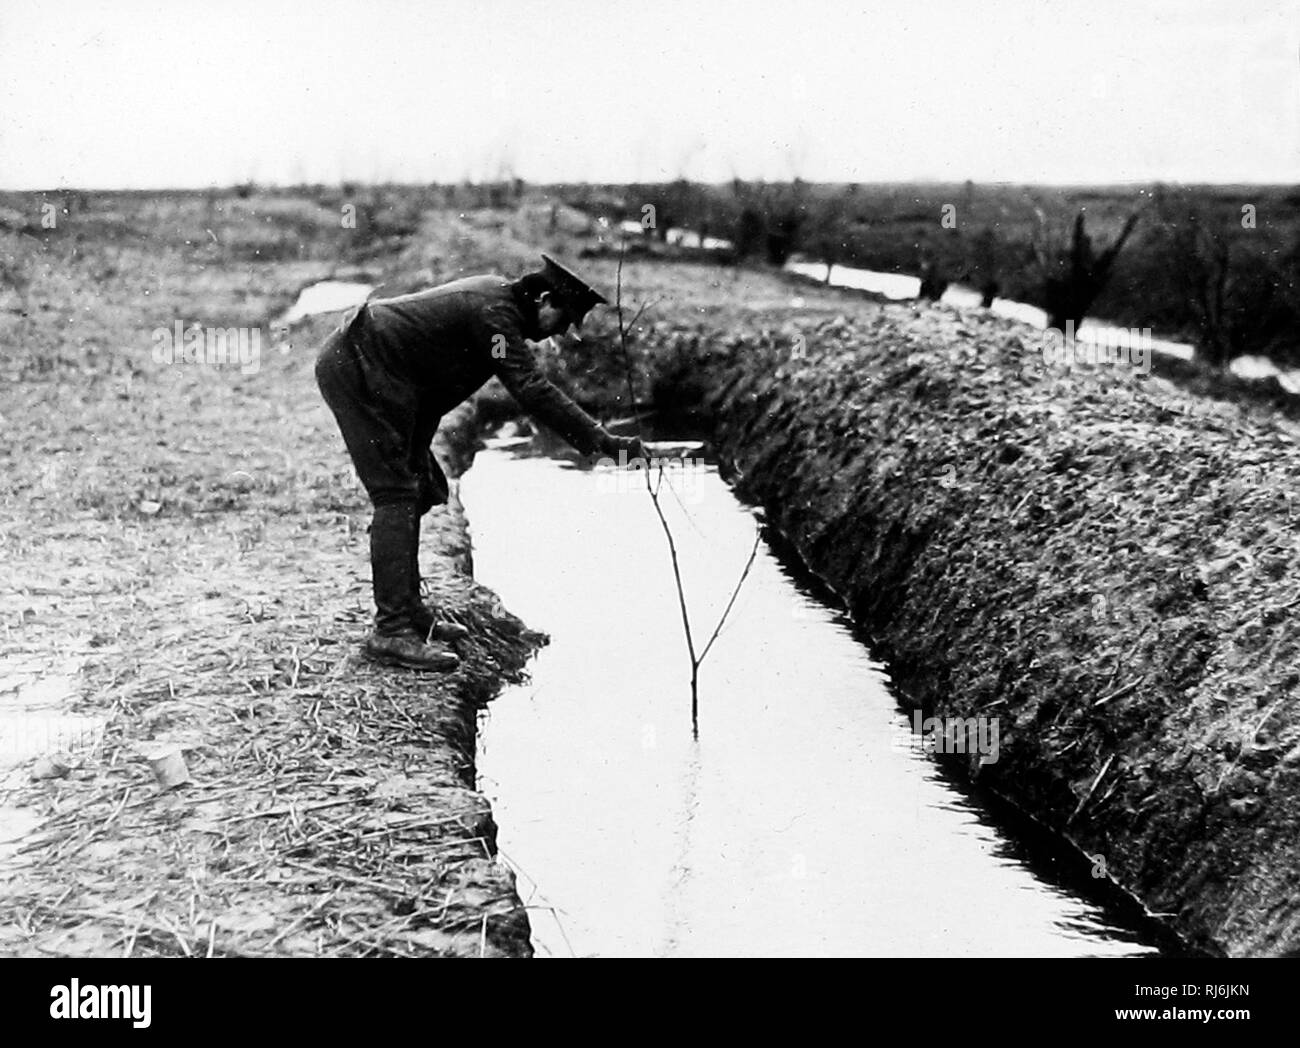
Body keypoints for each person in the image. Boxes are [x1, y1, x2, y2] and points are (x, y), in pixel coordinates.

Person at [315, 254, 648, 671]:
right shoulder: (495, 315)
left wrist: (417, 446)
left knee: (414, 487)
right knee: (395, 494)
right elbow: (530, 387)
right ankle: (392, 631)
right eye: (561, 321)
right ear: (543, 298)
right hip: (358, 369)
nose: (557, 334)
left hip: (386, 378)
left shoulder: (496, 301)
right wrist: (601, 442)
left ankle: (409, 609)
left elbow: (429, 378)